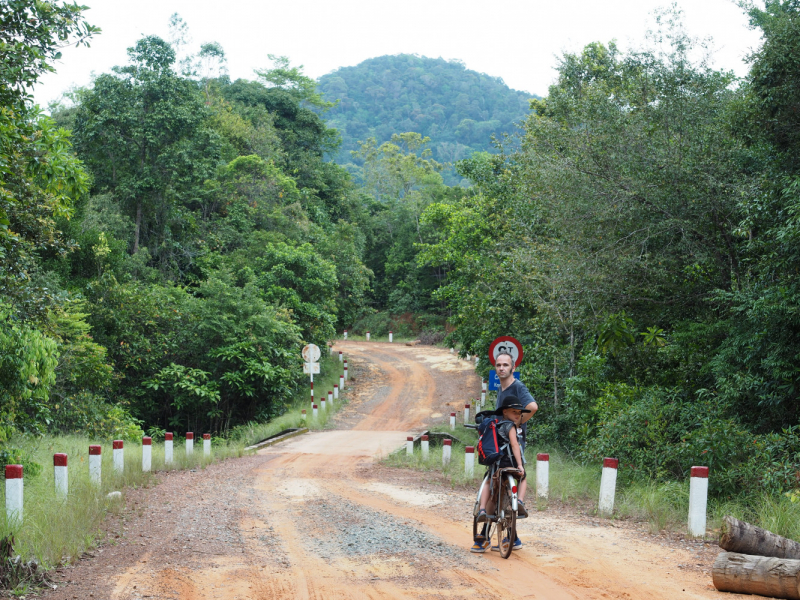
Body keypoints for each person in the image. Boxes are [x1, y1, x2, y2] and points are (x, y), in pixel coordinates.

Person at [471, 350, 538, 553]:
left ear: (513, 368)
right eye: (498, 365)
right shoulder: (502, 388)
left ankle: (485, 534)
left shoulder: (517, 386)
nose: (501, 368)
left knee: (497, 483)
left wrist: (515, 425)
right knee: (501, 486)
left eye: (505, 365)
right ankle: (511, 535)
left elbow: (533, 406)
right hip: (503, 443)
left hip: (510, 444)